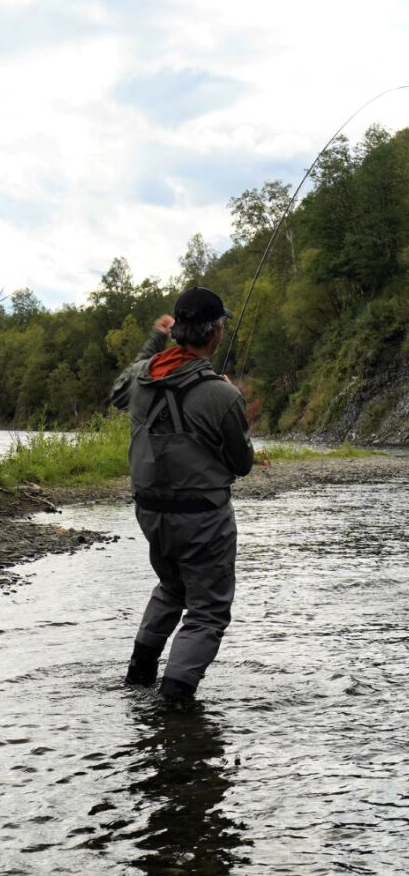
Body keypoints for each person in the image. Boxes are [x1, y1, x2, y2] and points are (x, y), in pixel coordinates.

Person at [109, 286, 256, 702]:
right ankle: (174, 706)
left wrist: (156, 337)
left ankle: (138, 678)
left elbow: (119, 390)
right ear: (214, 334)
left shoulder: (140, 378)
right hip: (203, 519)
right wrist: (230, 398)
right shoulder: (223, 395)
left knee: (171, 588)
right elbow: (241, 463)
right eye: (222, 325)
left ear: (177, 331)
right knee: (207, 611)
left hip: (151, 515)